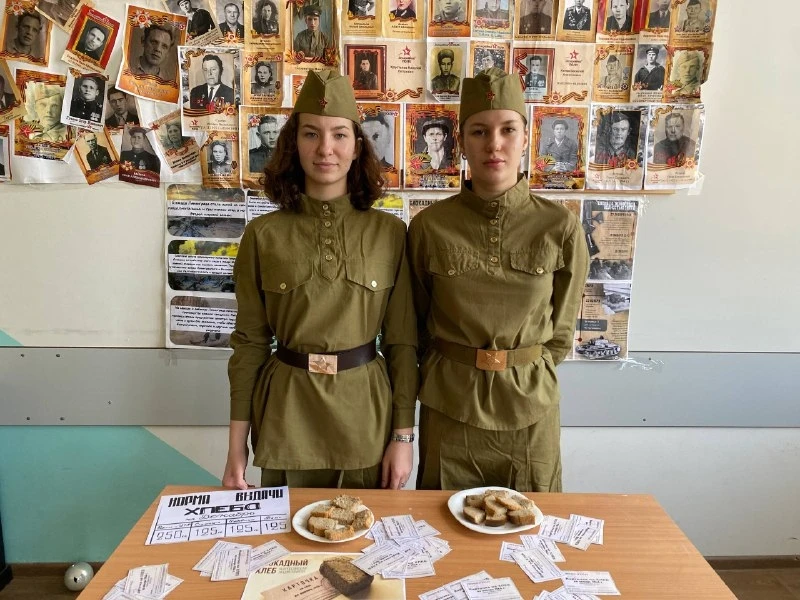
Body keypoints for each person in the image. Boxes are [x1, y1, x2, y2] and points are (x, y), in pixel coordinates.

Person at [223, 69, 418, 491]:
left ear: (357, 146)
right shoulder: (263, 234)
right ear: (294, 143)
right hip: (286, 418)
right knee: (286, 532)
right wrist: (236, 447)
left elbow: (402, 343)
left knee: (367, 532)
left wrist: (403, 437)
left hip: (365, 418)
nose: (325, 149)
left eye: (339, 135)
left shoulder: (390, 233)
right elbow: (249, 344)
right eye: (311, 134)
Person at [408, 68, 589, 491]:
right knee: (440, 521)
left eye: (508, 129)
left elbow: (561, 331)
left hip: (530, 407)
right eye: (479, 131)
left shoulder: (559, 227)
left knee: (530, 520)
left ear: (526, 138)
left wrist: (521, 369)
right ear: (461, 142)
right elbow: (415, 322)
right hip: (449, 405)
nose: (494, 144)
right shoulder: (429, 226)